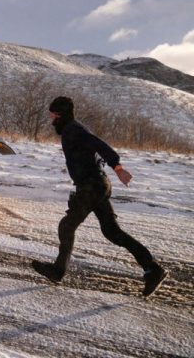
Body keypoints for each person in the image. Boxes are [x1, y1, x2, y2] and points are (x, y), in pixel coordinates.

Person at [32, 96, 168, 297]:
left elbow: (100, 145)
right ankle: (153, 269)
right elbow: (93, 152)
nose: (51, 119)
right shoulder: (74, 129)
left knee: (67, 225)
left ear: (60, 115)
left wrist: (118, 167)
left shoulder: (73, 130)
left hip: (91, 186)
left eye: (53, 115)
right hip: (97, 184)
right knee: (112, 232)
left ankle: (58, 271)